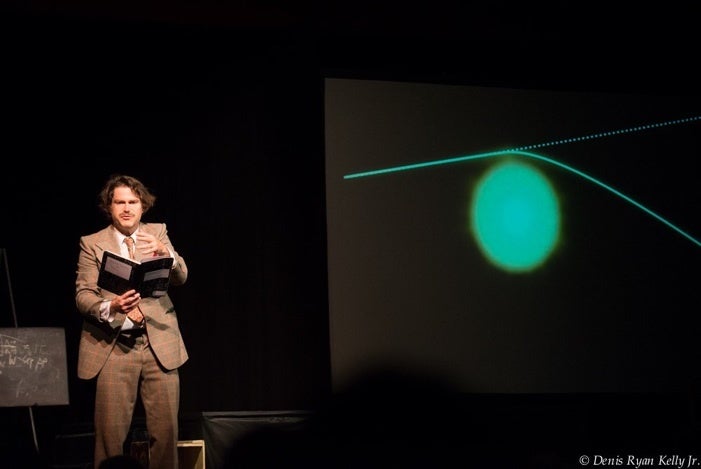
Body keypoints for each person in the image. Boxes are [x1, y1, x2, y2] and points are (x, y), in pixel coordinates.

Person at [75, 174, 189, 469]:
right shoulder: (92, 243)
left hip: (158, 344)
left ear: (142, 206)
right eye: (120, 202)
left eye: (133, 202)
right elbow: (83, 296)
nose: (127, 208)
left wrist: (170, 256)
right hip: (114, 346)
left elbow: (181, 277)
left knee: (166, 435)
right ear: (109, 207)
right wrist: (111, 305)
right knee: (110, 437)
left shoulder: (158, 232)